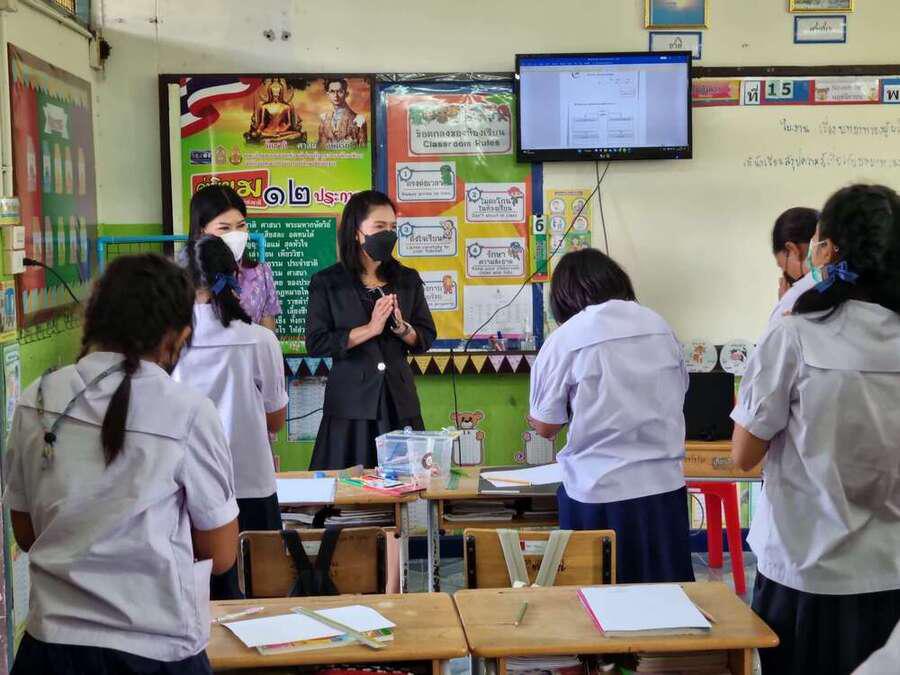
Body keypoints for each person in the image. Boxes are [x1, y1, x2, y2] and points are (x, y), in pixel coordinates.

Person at [2, 254, 238, 674]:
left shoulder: (36, 398)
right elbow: (220, 554)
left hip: (51, 651)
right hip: (156, 651)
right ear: (176, 338)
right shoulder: (188, 411)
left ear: (92, 319)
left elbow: (26, 533)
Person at [731, 184, 900, 674]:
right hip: (890, 570)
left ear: (830, 251)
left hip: (806, 573)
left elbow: (744, 454)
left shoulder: (793, 334)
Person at [528, 248, 693, 584]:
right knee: (667, 596)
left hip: (598, 493)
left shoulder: (567, 338)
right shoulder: (659, 326)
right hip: (664, 490)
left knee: (599, 598)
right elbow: (681, 390)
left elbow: (546, 425)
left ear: (564, 297)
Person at [174, 236, 287, 585]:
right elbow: (275, 420)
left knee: (198, 593)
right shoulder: (261, 340)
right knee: (262, 589)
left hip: (186, 489)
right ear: (236, 275)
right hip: (252, 483)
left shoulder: (168, 342)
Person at [305, 190, 436, 470]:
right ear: (356, 231)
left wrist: (403, 329)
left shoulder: (407, 279)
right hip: (350, 407)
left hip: (399, 402)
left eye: (392, 227)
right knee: (348, 487)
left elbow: (425, 336)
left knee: (406, 484)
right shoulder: (327, 282)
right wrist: (370, 329)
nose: (388, 234)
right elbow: (317, 342)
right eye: (379, 226)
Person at [186, 184, 282, 330]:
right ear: (201, 231)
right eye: (224, 228)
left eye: (241, 225)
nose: (236, 234)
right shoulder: (182, 278)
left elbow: (268, 332)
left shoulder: (261, 273)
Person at [768, 206, 818, 325]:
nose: (785, 276)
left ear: (793, 249)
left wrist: (785, 303)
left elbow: (778, 335)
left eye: (783, 267)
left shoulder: (791, 302)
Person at [317, 78, 367, 149]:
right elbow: (320, 149)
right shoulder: (324, 119)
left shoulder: (359, 120)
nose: (336, 95)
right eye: (332, 91)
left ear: (346, 94)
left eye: (340, 91)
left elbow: (363, 151)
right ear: (328, 94)